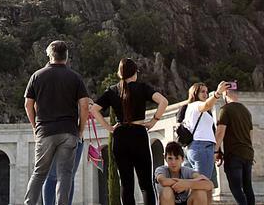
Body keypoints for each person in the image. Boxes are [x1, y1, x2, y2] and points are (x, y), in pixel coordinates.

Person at [93, 57, 169, 205]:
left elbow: (94, 109)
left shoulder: (112, 90)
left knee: (126, 184)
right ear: (135, 72)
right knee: (146, 184)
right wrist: (154, 120)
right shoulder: (142, 87)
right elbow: (164, 102)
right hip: (139, 134)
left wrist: (109, 127)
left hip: (120, 136)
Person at [23, 40, 91, 205]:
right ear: (66, 57)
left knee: (39, 173)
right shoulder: (75, 77)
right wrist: (80, 130)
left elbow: (27, 104)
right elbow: (84, 106)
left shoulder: (37, 76)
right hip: (68, 131)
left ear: (49, 55)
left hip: (45, 131)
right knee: (64, 175)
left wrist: (34, 127)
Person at [215, 82, 255, 205]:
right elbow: (250, 134)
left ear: (226, 93)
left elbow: (220, 132)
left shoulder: (225, 109)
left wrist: (216, 150)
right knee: (248, 187)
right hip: (248, 154)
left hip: (234, 154)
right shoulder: (246, 111)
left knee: (235, 187)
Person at [181, 81, 229, 181]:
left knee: (196, 184)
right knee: (202, 184)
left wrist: (216, 150)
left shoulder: (192, 108)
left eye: (206, 92)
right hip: (202, 146)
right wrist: (218, 93)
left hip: (195, 147)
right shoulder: (196, 105)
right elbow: (207, 105)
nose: (205, 94)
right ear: (195, 93)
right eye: (202, 91)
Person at [155, 141, 214, 205]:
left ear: (182, 159)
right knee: (167, 190)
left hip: (186, 202)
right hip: (167, 201)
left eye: (177, 158)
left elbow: (209, 184)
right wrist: (185, 183)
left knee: (200, 193)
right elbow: (163, 181)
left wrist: (186, 184)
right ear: (165, 159)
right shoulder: (161, 170)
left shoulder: (187, 171)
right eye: (170, 158)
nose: (173, 162)